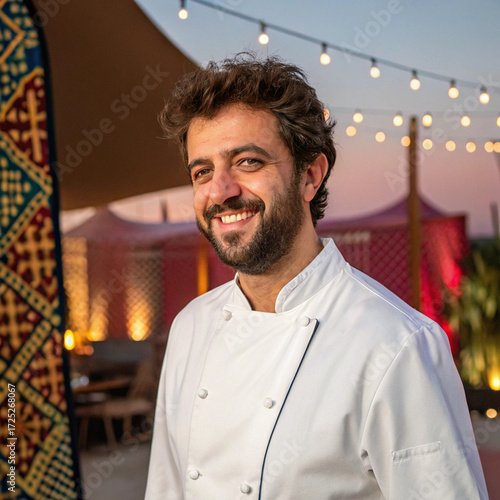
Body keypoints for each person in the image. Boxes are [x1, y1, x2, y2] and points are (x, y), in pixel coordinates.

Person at [145, 55, 488, 499]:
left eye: (247, 162)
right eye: (202, 171)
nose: (220, 190)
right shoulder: (191, 327)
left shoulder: (397, 344)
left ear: (310, 176)